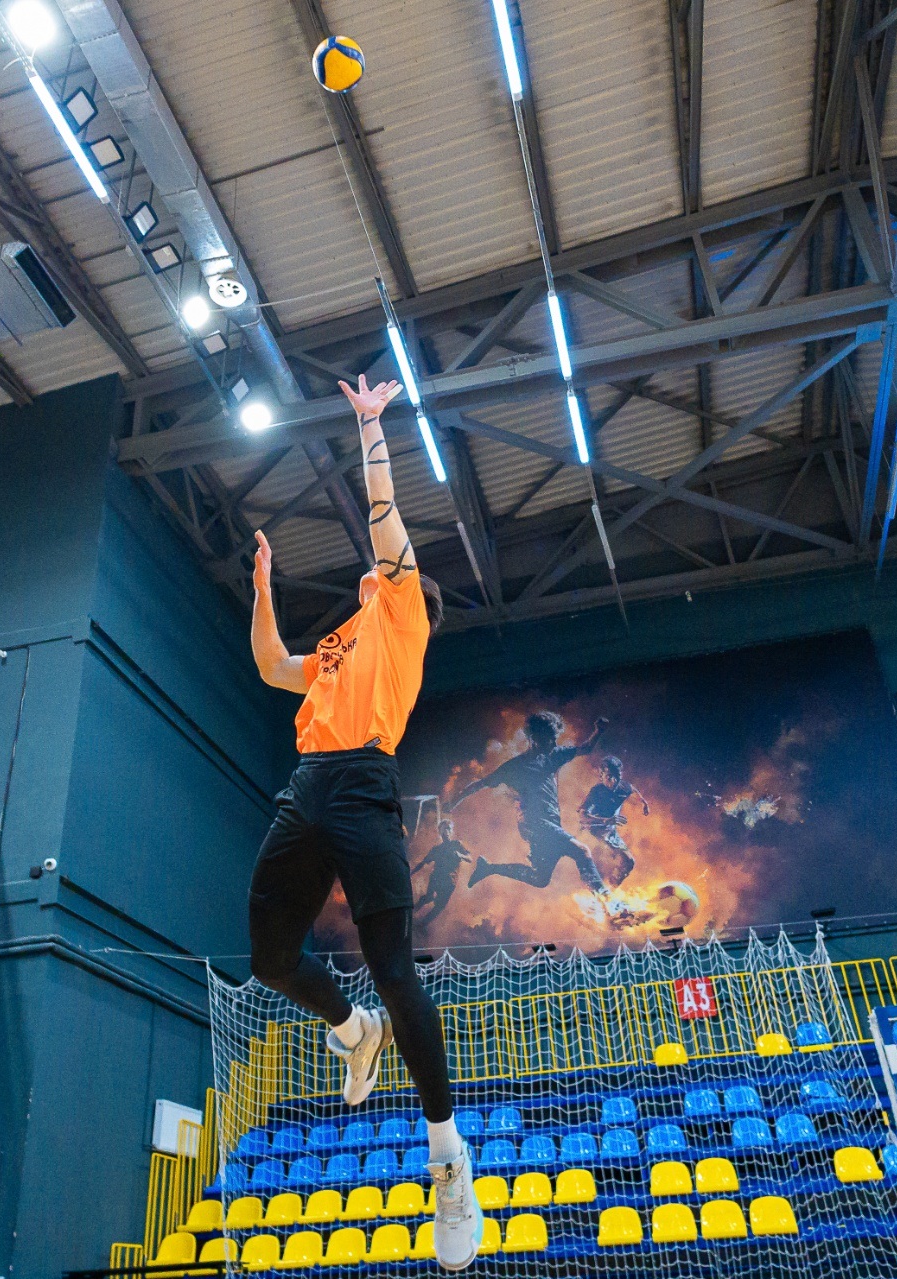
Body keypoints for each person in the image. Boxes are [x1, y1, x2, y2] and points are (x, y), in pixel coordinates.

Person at [246, 375, 482, 1270]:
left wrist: (371, 427)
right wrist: (262, 588)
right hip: (308, 783)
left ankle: (448, 1157)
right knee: (269, 957)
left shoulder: (403, 616)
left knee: (392, 966)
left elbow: (386, 521)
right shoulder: (341, 644)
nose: (376, 569)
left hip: (364, 783)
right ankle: (354, 1032)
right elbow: (272, 667)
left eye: (386, 569)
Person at [452, 711, 610, 893]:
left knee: (540, 879)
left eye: (554, 739)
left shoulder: (554, 755)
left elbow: (586, 748)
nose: (553, 744)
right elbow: (481, 784)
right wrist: (454, 802)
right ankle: (604, 898)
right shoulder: (515, 767)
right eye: (549, 740)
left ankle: (488, 868)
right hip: (534, 824)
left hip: (549, 822)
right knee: (582, 851)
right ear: (534, 738)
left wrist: (598, 731)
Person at [578, 756, 649, 886]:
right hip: (591, 833)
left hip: (610, 834)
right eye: (610, 776)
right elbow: (582, 815)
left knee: (629, 862)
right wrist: (605, 820)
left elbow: (633, 789)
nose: (614, 781)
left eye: (618, 776)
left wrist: (644, 803)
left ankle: (611, 888)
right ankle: (592, 890)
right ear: (601, 776)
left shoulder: (624, 787)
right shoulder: (596, 792)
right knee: (598, 866)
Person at [414, 820, 472, 929]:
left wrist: (460, 855)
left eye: (448, 828)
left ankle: (421, 925)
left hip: (449, 882)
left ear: (452, 831)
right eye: (444, 829)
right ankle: (410, 913)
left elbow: (470, 858)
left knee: (439, 906)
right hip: (437, 878)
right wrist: (411, 873)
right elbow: (423, 862)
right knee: (429, 898)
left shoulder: (457, 844)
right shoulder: (437, 849)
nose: (446, 831)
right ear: (440, 832)